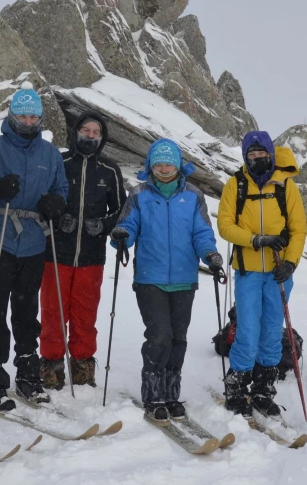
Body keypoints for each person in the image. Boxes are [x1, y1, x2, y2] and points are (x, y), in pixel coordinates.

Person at [0, 83, 69, 410]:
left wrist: (56, 203)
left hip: (34, 242)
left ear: (40, 118)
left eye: (33, 115)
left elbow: (61, 189)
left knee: (26, 311)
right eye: (22, 114)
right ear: (11, 114)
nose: (27, 120)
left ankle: (27, 375)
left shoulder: (50, 154)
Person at [110, 138, 221, 421]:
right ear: (150, 165)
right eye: (158, 162)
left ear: (178, 164)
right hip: (150, 278)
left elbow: (201, 233)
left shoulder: (194, 196)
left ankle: (171, 391)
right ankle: (153, 393)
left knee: (178, 338)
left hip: (185, 279)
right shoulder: (139, 195)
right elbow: (128, 224)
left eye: (168, 162)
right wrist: (122, 234)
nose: (163, 167)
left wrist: (210, 254)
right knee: (159, 335)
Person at [216, 131, 307, 416]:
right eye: (251, 154)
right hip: (248, 271)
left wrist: (290, 263)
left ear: (270, 153)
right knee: (248, 330)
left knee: (270, 331)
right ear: (245, 156)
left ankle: (263, 389)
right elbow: (225, 226)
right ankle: (237, 386)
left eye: (261, 153)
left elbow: (298, 228)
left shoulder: (285, 186)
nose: (257, 158)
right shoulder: (236, 185)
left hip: (279, 273)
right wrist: (257, 240)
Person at [40, 111, 126, 390]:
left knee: (85, 312)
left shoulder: (110, 170)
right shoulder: (60, 161)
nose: (90, 135)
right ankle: (51, 365)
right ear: (76, 131)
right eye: (85, 130)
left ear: (102, 137)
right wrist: (57, 215)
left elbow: (121, 210)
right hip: (56, 252)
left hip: (91, 255)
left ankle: (82, 365)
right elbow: (44, 199)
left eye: (95, 132)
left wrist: (102, 224)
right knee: (53, 311)